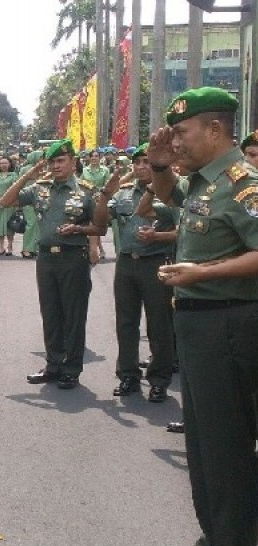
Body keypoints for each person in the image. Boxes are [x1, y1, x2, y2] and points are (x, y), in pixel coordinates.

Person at [148, 87, 258, 546]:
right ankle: (214, 540)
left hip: (228, 326)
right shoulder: (203, 180)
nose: (177, 143)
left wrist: (202, 273)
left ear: (214, 129)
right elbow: (168, 195)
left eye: (182, 132)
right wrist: (157, 164)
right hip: (197, 326)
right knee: (203, 445)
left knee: (227, 447)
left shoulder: (244, 183)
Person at [0, 139, 105, 389]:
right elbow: (6, 201)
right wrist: (29, 174)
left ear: (73, 162)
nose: (56, 166)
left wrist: (89, 242)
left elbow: (99, 225)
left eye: (61, 161)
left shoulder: (87, 191)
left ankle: (72, 368)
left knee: (73, 313)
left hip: (73, 257)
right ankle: (53, 364)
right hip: (46, 257)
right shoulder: (40, 188)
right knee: (50, 312)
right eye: (52, 162)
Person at [92, 143, 176, 403]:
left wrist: (157, 237)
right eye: (137, 162)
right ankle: (128, 374)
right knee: (126, 322)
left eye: (146, 162)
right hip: (127, 263)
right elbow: (100, 223)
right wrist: (105, 196)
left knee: (159, 323)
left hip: (156, 262)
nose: (141, 167)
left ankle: (159, 379)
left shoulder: (172, 194)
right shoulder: (124, 194)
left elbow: (184, 231)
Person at [0, 156, 18, 256]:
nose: (4, 165)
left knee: (9, 225)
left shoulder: (13, 175)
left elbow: (16, 188)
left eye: (6, 163)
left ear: (10, 164)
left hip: (10, 203)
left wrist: (9, 199)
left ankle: (10, 246)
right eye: (2, 163)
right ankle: (1, 247)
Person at [17, 150, 43, 258]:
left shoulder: (42, 169)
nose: (42, 159)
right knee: (31, 224)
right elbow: (19, 183)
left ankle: (35, 248)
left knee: (38, 224)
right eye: (40, 157)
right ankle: (26, 248)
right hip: (27, 199)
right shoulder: (25, 169)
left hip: (39, 199)